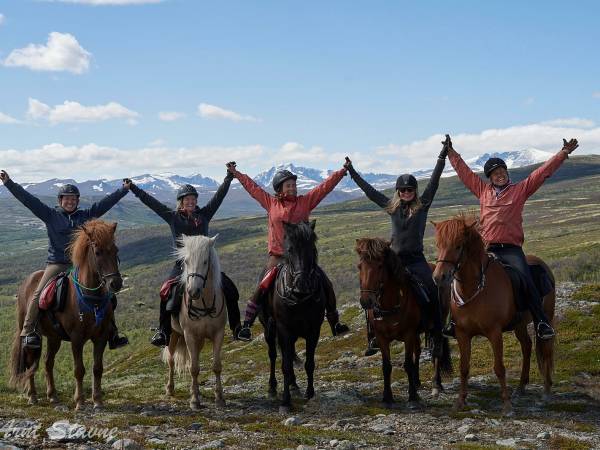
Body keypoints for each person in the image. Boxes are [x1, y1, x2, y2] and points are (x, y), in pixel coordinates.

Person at [444, 135, 579, 340]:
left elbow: (542, 173)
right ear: (490, 177)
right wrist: (451, 154)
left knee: (525, 278)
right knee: (459, 272)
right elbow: (465, 173)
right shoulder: (482, 191)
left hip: (511, 249)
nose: (500, 175)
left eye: (502, 171)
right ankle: (454, 320)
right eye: (495, 173)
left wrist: (563, 153)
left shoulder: (520, 190)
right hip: (486, 248)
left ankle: (541, 321)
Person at [0, 170, 129, 350]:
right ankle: (28, 331)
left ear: (77, 201)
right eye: (66, 198)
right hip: (57, 264)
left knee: (107, 294)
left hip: (80, 264)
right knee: (38, 293)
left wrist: (123, 190)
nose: (70, 201)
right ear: (60, 200)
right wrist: (8, 183)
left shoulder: (84, 216)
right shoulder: (50, 215)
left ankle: (112, 332)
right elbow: (29, 200)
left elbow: (103, 205)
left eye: (73, 199)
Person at [226, 162, 349, 341]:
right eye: (288, 185)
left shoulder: (305, 202)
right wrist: (236, 173)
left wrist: (341, 172)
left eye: (293, 185)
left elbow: (324, 188)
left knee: (325, 283)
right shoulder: (270, 203)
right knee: (262, 285)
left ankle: (335, 323)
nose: (292, 188)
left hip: (300, 257)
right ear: (279, 188)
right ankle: (247, 325)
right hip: (278, 256)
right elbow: (252, 188)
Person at [345, 143, 448, 357]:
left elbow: (434, 183)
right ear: (398, 192)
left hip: (416, 260)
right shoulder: (392, 208)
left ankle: (436, 334)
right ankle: (373, 335)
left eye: (410, 189)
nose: (406, 192)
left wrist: (441, 158)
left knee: (432, 288)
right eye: (402, 190)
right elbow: (371, 192)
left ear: (414, 192)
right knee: (372, 288)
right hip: (396, 261)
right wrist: (352, 173)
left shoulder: (423, 205)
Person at [124, 168, 241, 347]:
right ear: (181, 202)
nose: (191, 202)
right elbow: (151, 202)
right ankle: (163, 331)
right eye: (187, 199)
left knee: (231, 290)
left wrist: (228, 178)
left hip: (205, 266)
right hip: (182, 266)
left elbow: (219, 197)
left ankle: (237, 328)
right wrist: (134, 188)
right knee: (166, 292)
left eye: (193, 199)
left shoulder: (204, 215)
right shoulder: (173, 217)